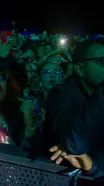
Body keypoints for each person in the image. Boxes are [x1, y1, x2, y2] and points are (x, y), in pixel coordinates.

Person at [43, 39, 104, 178]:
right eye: (102, 61)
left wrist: (92, 164)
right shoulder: (62, 93)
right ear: (80, 69)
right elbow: (71, 143)